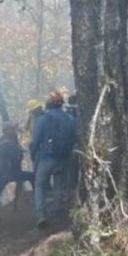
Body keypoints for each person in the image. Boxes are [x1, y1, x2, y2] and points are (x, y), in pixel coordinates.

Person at [30, 91, 77, 228]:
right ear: (61, 103)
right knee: (59, 185)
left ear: (49, 103)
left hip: (47, 158)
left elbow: (36, 140)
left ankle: (40, 216)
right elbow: (74, 137)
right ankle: (58, 213)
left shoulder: (43, 118)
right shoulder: (69, 118)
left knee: (39, 185)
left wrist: (33, 154)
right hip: (64, 157)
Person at [0, 122, 35, 220]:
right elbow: (15, 159)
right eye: (11, 129)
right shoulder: (8, 144)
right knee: (32, 176)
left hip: (2, 175)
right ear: (6, 131)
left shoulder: (2, 142)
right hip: (9, 173)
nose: (13, 131)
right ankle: (36, 201)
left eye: (13, 129)